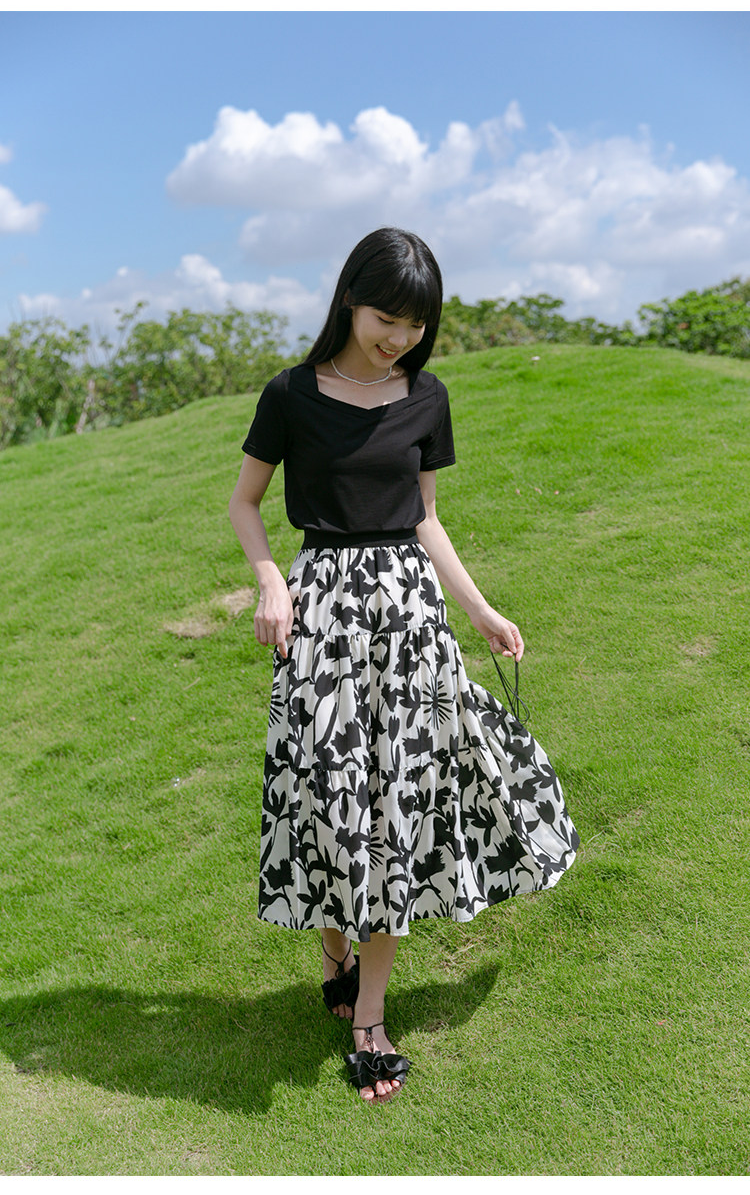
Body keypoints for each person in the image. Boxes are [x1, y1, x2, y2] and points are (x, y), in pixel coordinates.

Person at [229, 227, 579, 1106]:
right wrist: (271, 581)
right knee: (327, 796)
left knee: (396, 806)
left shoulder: (427, 397)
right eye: (388, 319)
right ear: (351, 299)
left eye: (416, 325)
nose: (400, 338)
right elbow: (245, 503)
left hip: (408, 615)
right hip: (321, 612)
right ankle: (335, 956)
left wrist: (481, 609)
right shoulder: (289, 394)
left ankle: (369, 1016)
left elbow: (425, 518)